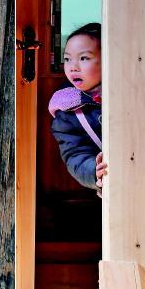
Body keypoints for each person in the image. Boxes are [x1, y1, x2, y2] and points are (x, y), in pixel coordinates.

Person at [48, 23, 108, 196]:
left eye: (84, 58)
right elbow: (74, 154)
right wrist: (93, 171)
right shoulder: (67, 110)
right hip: (111, 176)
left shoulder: (127, 91)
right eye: (67, 59)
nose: (73, 66)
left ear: (107, 59)